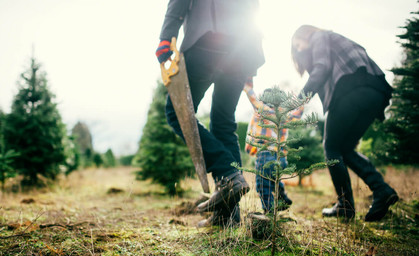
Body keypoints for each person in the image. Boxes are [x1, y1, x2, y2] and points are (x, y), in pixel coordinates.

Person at [155, 0, 265, 227]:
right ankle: (228, 218)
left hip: (207, 42)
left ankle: (228, 173)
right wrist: (250, 65)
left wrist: (166, 38)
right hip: (243, 50)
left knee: (177, 114)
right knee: (224, 124)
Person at [291, 25, 398, 221]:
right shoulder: (332, 41)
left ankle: (345, 205)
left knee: (331, 147)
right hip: (374, 93)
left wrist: (299, 103)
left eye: (298, 45)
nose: (298, 50)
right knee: (346, 149)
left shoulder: (319, 36)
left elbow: (321, 68)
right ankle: (382, 190)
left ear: (305, 35)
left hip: (351, 90)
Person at [243, 79, 303, 214]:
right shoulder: (284, 115)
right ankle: (282, 197)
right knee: (274, 179)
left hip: (265, 155)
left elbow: (253, 99)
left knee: (262, 185)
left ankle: (269, 213)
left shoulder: (264, 111)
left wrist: (247, 87)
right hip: (281, 157)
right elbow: (297, 114)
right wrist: (302, 101)